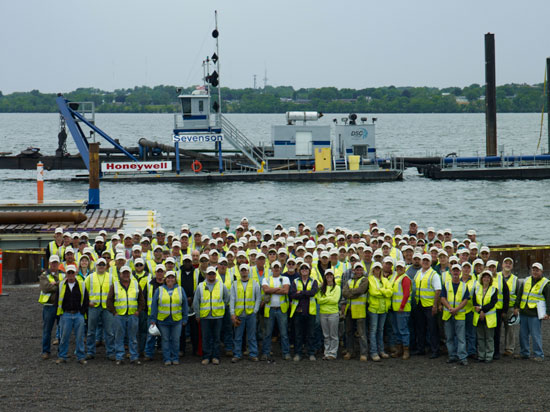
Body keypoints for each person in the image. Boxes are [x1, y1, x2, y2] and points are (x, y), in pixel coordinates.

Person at [107, 266, 146, 365]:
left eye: (127, 273)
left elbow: (141, 299)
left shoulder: (136, 284)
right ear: (120, 274)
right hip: (119, 315)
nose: (125, 275)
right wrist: (114, 312)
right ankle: (120, 357)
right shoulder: (115, 285)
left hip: (133, 315)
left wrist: (138, 311)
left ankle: (134, 357)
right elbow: (109, 300)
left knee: (133, 338)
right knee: (119, 337)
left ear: (130, 274)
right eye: (123, 273)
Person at [193, 266, 230, 365]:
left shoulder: (221, 285)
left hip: (217, 316)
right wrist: (197, 314)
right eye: (209, 274)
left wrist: (220, 307)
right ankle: (206, 356)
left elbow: (226, 299)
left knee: (216, 338)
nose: (211, 275)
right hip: (205, 316)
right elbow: (196, 301)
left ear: (215, 274)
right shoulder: (201, 286)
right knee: (206, 338)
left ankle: (215, 356)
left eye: (213, 273)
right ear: (206, 275)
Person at [150, 271, 188, 365]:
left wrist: (185, 318)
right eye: (168, 278)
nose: (170, 279)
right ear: (165, 279)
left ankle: (175, 357)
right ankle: (166, 358)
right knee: (165, 340)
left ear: (175, 279)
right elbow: (154, 305)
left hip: (176, 320)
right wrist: (153, 319)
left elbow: (185, 305)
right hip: (163, 320)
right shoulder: (159, 290)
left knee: (175, 340)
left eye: (172, 278)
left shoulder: (180, 289)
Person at [513, 262, 550, 361]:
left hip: (535, 314)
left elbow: (549, 299)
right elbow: (520, 294)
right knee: (523, 334)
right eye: (533, 270)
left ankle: (539, 355)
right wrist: (516, 306)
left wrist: (548, 313)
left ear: (541, 271)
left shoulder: (545, 284)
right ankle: (524, 353)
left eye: (537, 270)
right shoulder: (526, 280)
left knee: (535, 335)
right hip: (524, 312)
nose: (534, 272)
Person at [55, 265, 89, 364]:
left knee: (80, 337)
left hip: (78, 314)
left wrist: (82, 312)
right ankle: (62, 356)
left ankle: (81, 356)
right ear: (66, 274)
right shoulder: (61, 285)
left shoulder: (82, 285)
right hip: (65, 314)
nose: (70, 275)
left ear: (75, 274)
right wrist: (60, 314)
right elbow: (57, 300)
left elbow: (86, 300)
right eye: (68, 273)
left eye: (72, 273)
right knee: (64, 337)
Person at [84, 258, 116, 361]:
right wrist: (88, 303)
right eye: (99, 264)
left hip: (107, 308)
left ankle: (110, 352)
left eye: (103, 264)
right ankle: (90, 352)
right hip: (94, 307)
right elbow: (84, 293)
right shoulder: (90, 278)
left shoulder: (112, 278)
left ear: (106, 266)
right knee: (91, 331)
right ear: (95, 266)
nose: (101, 266)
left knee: (110, 331)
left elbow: (116, 293)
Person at [230, 264, 262, 362]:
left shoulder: (255, 283)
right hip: (239, 314)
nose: (244, 272)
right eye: (242, 270)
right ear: (239, 272)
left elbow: (258, 298)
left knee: (252, 336)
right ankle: (237, 354)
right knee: (238, 336)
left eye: (245, 270)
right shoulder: (235, 284)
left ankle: (253, 354)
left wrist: (255, 310)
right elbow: (232, 299)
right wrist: (232, 313)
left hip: (250, 314)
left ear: (248, 271)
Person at [440, 264, 470, 365]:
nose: (456, 273)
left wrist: (456, 309)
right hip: (448, 314)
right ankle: (452, 355)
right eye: (454, 271)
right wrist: (449, 308)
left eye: (457, 271)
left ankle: (462, 357)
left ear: (460, 272)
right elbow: (442, 298)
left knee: (461, 338)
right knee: (449, 337)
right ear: (451, 272)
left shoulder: (464, 286)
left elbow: (465, 300)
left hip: (459, 315)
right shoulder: (446, 284)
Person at [413, 254, 441, 358]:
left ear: (430, 262)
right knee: (420, 328)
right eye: (423, 260)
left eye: (427, 261)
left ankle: (435, 350)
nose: (425, 262)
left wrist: (435, 305)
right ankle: (421, 349)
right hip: (419, 304)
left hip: (429, 305)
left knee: (432, 329)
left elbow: (438, 290)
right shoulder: (418, 272)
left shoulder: (434, 274)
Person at [262, 261, 291, 360]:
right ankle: (265, 353)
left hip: (281, 309)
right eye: (274, 267)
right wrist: (279, 289)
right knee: (267, 333)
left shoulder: (285, 278)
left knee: (284, 333)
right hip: (269, 309)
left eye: (278, 267)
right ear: (271, 268)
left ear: (281, 268)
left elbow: (286, 291)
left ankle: (286, 353)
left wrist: (272, 289)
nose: (276, 269)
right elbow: (266, 290)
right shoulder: (266, 279)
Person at [289, 262, 319, 361]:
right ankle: (298, 353)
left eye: (306, 268)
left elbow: (313, 292)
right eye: (302, 268)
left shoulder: (314, 281)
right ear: (299, 270)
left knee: (311, 334)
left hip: (310, 311)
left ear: (309, 270)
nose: (304, 270)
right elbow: (292, 294)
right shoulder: (295, 281)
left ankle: (311, 353)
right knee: (298, 334)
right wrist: (306, 293)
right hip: (298, 311)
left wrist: (301, 292)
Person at [342, 262, 369, 362]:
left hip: (360, 311)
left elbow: (361, 290)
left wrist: (350, 293)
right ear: (353, 270)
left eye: (360, 269)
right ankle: (350, 351)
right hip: (349, 310)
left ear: (362, 270)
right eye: (356, 269)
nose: (358, 271)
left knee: (362, 333)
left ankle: (363, 353)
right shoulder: (349, 281)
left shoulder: (365, 280)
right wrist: (353, 293)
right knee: (349, 332)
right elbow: (344, 292)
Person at [39, 255, 64, 360]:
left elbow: (65, 285)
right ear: (49, 263)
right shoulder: (44, 275)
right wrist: (59, 284)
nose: (54, 264)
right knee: (47, 330)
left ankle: (61, 352)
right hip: (49, 306)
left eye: (56, 262)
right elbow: (46, 288)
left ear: (58, 264)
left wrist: (55, 283)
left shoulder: (63, 274)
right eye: (52, 262)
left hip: (61, 306)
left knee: (62, 330)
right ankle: (45, 351)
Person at [367, 262, 392, 361]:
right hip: (374, 308)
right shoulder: (370, 279)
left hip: (383, 308)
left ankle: (381, 350)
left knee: (380, 331)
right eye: (375, 269)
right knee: (373, 331)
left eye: (378, 269)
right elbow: (373, 292)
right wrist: (384, 291)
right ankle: (373, 352)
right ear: (373, 270)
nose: (377, 270)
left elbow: (390, 292)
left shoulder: (385, 280)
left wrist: (380, 290)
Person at [178, 255, 202, 357]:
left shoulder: (197, 273)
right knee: (181, 330)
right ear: (183, 262)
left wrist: (192, 298)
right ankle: (181, 349)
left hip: (193, 303)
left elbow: (200, 287)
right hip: (181, 304)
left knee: (194, 330)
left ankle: (195, 349)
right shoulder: (177, 273)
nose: (187, 263)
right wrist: (184, 299)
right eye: (185, 261)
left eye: (189, 261)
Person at [472, 271, 498, 363]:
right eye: (484, 277)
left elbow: (492, 302)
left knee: (489, 338)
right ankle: (481, 355)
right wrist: (480, 311)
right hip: (479, 317)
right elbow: (474, 301)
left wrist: (482, 310)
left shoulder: (494, 289)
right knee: (480, 337)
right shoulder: (477, 289)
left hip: (489, 318)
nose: (486, 279)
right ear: (481, 279)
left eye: (488, 277)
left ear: (490, 279)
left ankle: (489, 356)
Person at [316, 269, 341, 360]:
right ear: (325, 276)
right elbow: (318, 300)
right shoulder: (321, 288)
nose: (329, 276)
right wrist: (329, 298)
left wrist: (325, 299)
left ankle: (333, 353)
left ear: (333, 276)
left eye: (331, 275)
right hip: (323, 313)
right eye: (327, 275)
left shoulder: (337, 288)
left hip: (333, 313)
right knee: (326, 335)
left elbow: (335, 300)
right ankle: (327, 352)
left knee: (333, 335)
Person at [390, 261, 412, 360]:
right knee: (397, 330)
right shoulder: (396, 278)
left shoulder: (405, 278)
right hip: (395, 308)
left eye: (401, 267)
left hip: (402, 309)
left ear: (404, 268)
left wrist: (402, 306)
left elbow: (406, 294)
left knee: (403, 330)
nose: (399, 269)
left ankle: (406, 350)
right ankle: (399, 349)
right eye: (398, 267)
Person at [143, 265, 166, 361]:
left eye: (161, 271)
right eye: (158, 271)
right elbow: (144, 298)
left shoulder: (168, 284)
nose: (160, 273)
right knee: (150, 335)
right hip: (151, 314)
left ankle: (165, 354)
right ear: (155, 272)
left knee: (165, 336)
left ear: (164, 273)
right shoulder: (149, 284)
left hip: (164, 314)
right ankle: (148, 354)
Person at [500, 257, 519, 356]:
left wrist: (516, 308)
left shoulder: (515, 279)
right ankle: (495, 347)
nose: (507, 265)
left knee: (510, 329)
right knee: (496, 328)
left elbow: (518, 294)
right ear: (502, 265)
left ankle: (509, 349)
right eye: (505, 263)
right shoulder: (496, 276)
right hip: (498, 307)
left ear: (512, 266)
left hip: (510, 308)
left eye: (509, 263)